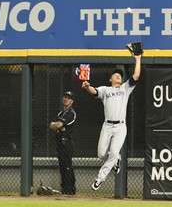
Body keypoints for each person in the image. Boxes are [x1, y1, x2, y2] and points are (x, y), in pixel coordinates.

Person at [82, 54, 142, 191]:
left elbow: (136, 75)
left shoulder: (125, 88)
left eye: (120, 75)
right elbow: (94, 91)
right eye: (115, 74)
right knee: (101, 154)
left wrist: (138, 59)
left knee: (113, 152)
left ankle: (99, 178)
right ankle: (116, 160)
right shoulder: (105, 90)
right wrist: (87, 87)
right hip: (107, 125)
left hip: (121, 126)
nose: (118, 76)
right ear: (110, 79)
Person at [49, 91, 77, 195]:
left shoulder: (71, 113)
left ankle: (70, 189)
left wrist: (59, 125)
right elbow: (52, 125)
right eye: (65, 97)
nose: (66, 99)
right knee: (62, 166)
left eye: (68, 98)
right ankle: (64, 188)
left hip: (67, 143)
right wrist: (58, 125)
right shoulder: (61, 113)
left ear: (71, 101)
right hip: (59, 143)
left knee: (67, 166)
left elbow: (59, 124)